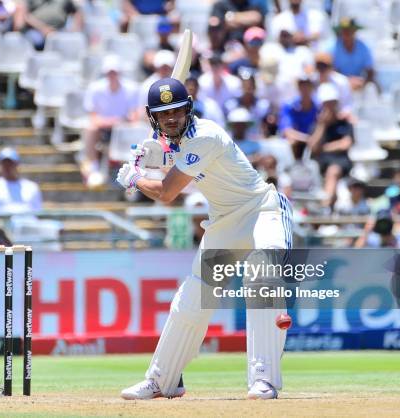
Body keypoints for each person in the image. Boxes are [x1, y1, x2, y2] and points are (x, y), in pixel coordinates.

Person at [116, 77, 293, 400]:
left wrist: (135, 177)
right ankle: (162, 381)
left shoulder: (206, 135)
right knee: (192, 299)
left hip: (261, 210)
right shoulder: (176, 142)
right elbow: (173, 159)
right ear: (152, 117)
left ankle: (263, 380)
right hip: (225, 222)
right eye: (163, 113)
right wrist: (156, 154)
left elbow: (167, 192)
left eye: (176, 111)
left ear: (189, 109)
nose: (171, 118)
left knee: (261, 280)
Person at [82, 54, 140, 187]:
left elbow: (134, 116)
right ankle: (93, 167)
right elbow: (93, 117)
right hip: (104, 127)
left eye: (114, 72)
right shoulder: (95, 88)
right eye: (109, 72)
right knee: (91, 128)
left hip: (124, 128)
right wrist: (112, 122)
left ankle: (134, 171)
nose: (112, 75)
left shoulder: (131, 88)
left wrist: (121, 122)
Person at [307, 83, 353, 209]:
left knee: (333, 171)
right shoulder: (317, 126)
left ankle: (325, 207)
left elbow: (345, 144)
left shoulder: (344, 124)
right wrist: (322, 126)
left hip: (340, 161)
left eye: (332, 103)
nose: (330, 107)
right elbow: (313, 147)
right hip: (321, 162)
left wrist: (324, 148)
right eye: (327, 104)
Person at [0, 147, 42, 217]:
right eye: (4, 164)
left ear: (17, 165)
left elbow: (37, 213)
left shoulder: (31, 187)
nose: (7, 167)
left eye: (10, 164)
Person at [278, 72, 319, 159]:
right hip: (298, 143)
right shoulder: (289, 106)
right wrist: (308, 139)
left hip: (314, 144)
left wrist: (314, 140)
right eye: (302, 85)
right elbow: (287, 131)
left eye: (307, 85)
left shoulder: (318, 107)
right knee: (292, 142)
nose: (304, 89)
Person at [330, 17, 375, 91]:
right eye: (345, 30)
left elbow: (370, 71)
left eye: (350, 30)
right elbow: (330, 71)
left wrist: (364, 82)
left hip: (359, 84)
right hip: (338, 85)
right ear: (341, 32)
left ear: (354, 31)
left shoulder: (363, 47)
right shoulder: (332, 47)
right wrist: (346, 81)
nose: (347, 33)